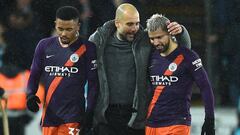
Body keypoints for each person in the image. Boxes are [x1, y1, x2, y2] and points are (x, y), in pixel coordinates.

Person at [88, 3, 191, 135]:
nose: (135, 28)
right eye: (130, 24)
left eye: (137, 23)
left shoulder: (146, 40)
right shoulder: (98, 41)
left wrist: (181, 32)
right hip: (106, 119)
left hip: (136, 118)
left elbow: (182, 53)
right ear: (117, 23)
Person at [26, 6, 98, 135]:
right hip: (49, 117)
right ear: (55, 25)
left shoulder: (88, 48)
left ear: (78, 26)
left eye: (69, 29)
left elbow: (93, 84)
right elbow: (34, 73)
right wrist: (30, 94)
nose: (64, 33)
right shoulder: (44, 45)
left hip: (73, 118)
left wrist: (90, 112)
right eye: (60, 29)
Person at [145, 13, 215, 135]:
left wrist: (210, 119)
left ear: (170, 33)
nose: (156, 42)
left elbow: (205, 87)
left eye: (159, 37)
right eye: (152, 38)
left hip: (177, 123)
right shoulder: (150, 57)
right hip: (151, 124)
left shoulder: (188, 56)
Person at [0, 64, 44, 135]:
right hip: (20, 119)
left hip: (5, 117)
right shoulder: (27, 76)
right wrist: (29, 116)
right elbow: (38, 95)